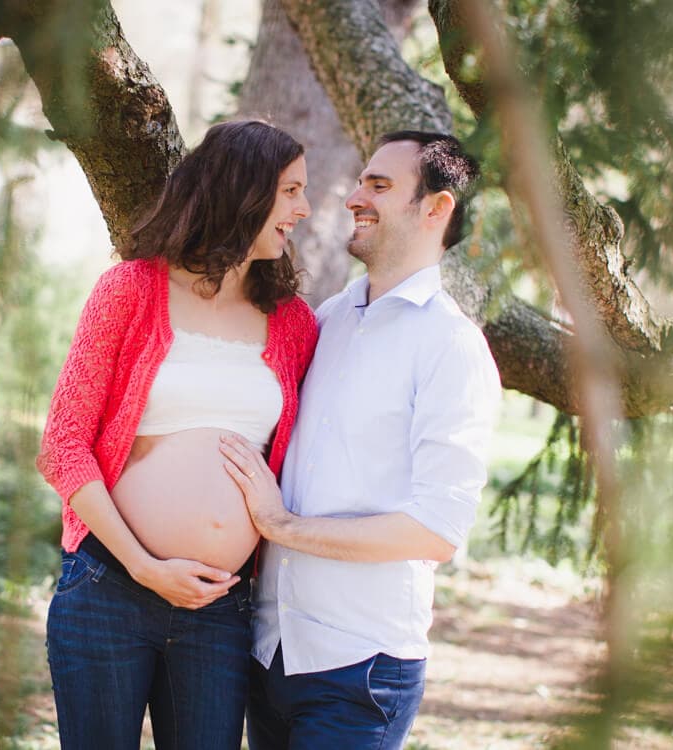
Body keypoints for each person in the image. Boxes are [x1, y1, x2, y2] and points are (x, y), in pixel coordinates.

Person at [37, 120, 317, 750]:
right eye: (291, 190)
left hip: (219, 607)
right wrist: (143, 566)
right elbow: (63, 445)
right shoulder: (131, 289)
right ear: (243, 189)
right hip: (110, 585)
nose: (303, 209)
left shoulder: (293, 322)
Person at [221, 131, 502, 750]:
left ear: (436, 208)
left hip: (360, 667)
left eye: (379, 185)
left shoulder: (451, 347)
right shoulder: (327, 320)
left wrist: (281, 526)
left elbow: (436, 529)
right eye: (359, 182)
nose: (353, 198)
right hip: (270, 650)